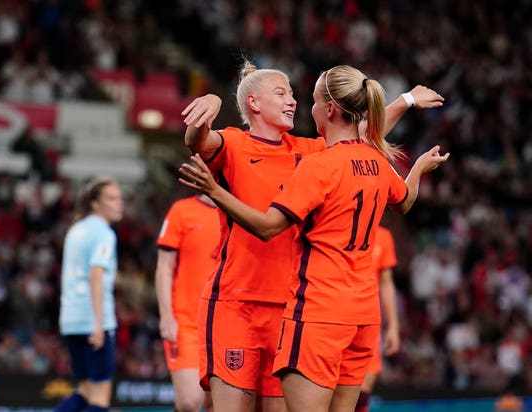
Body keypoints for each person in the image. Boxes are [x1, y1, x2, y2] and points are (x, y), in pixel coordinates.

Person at [179, 64, 449, 412]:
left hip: (293, 309)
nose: (292, 100)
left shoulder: (311, 152)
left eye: (294, 93)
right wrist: (209, 105)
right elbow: (196, 142)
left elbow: (360, 141)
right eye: (281, 93)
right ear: (253, 102)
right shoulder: (233, 142)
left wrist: (406, 100)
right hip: (238, 305)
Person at [55, 177, 124, 412]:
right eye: (112, 199)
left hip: (72, 319)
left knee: (85, 390)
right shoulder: (104, 233)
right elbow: (96, 274)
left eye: (119, 197)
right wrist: (98, 324)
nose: (119, 203)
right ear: (95, 204)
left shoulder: (76, 229)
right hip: (95, 319)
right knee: (100, 396)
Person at [155, 194, 219, 412]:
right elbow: (164, 267)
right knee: (189, 403)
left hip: (226, 323)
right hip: (186, 322)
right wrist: (166, 316)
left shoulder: (238, 212)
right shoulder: (181, 211)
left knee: (217, 404)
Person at [355, 225, 399, 412]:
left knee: (361, 394)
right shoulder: (339, 227)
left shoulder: (384, 237)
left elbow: (386, 283)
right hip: (335, 319)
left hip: (369, 324)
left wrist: (393, 326)